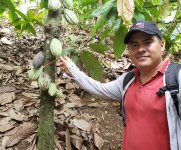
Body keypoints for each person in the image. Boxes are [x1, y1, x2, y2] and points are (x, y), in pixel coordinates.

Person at [59, 21, 181, 150]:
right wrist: (72, 69)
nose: (140, 49)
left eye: (148, 42)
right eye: (134, 45)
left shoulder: (175, 78)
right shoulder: (128, 80)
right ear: (129, 51)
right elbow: (100, 89)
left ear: (162, 46)